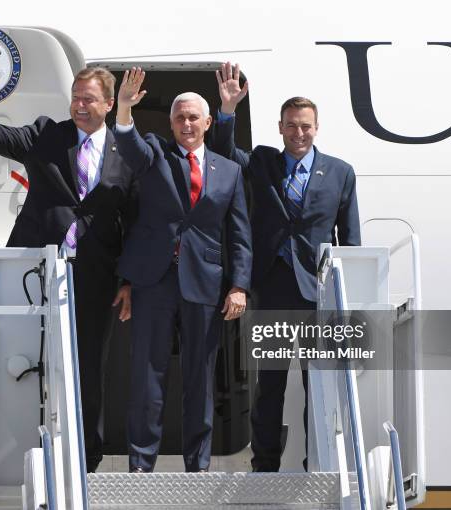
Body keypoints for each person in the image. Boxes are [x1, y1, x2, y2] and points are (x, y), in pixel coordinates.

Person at [0, 46, 137, 473]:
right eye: (76, 97)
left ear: (108, 104)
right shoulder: (50, 133)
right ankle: (25, 450)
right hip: (37, 268)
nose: (80, 106)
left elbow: (133, 218)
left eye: (89, 99)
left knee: (88, 364)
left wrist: (127, 281)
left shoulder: (128, 151)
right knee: (27, 358)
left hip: (95, 273)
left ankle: (86, 458)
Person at [213, 62, 361, 472]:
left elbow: (350, 240)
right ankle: (265, 465)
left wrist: (349, 302)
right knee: (271, 385)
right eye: (292, 126)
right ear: (280, 127)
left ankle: (319, 462)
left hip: (317, 293)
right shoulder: (262, 163)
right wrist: (227, 110)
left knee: (317, 386)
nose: (299, 133)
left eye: (306, 126)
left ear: (317, 128)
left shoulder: (340, 173)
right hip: (272, 289)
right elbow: (225, 154)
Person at [114, 67, 252, 473]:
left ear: (208, 123)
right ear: (171, 123)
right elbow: (129, 144)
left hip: (205, 285)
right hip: (154, 282)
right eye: (180, 117)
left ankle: (199, 466)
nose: (187, 124)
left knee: (199, 381)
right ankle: (141, 465)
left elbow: (240, 235)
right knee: (147, 379)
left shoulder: (230, 171)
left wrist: (239, 285)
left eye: (194, 117)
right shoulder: (155, 152)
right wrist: (124, 108)